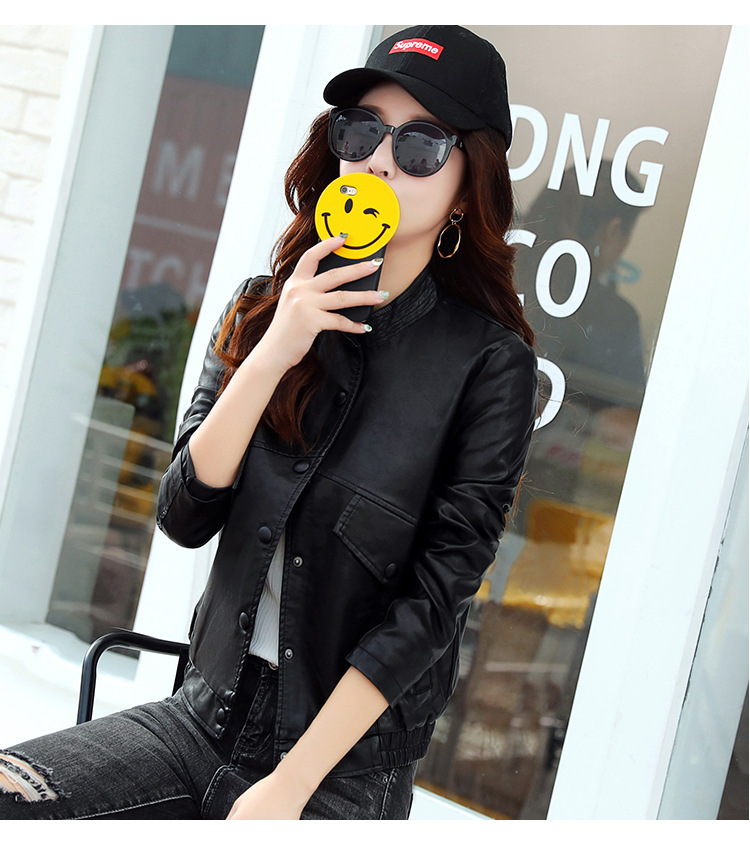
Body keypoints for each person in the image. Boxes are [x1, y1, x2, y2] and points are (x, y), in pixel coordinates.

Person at [0, 25, 537, 820]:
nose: (380, 161)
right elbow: (184, 514)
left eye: (421, 144)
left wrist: (289, 786)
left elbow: (431, 605)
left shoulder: (489, 367)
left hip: (340, 771)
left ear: (466, 188)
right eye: (362, 132)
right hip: (200, 713)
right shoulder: (264, 306)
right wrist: (275, 350)